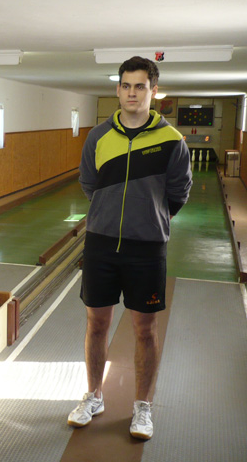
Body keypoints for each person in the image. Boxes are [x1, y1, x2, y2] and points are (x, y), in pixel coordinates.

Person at [67, 56, 192, 440]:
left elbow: (178, 193)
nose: (132, 93)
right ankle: (94, 396)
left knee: (145, 329)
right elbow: (89, 183)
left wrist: (148, 219)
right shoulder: (98, 137)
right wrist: (108, 214)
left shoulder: (172, 141)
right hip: (101, 245)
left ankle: (142, 407)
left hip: (147, 249)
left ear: (154, 91)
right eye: (126, 85)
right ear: (118, 90)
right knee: (96, 323)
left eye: (140, 86)